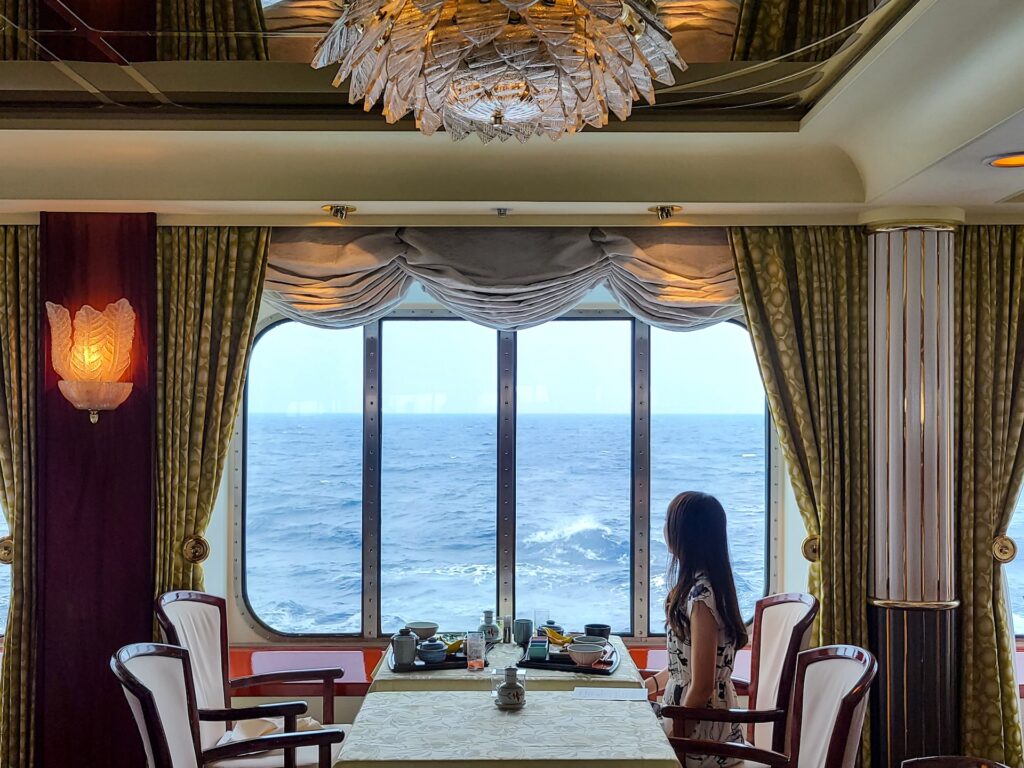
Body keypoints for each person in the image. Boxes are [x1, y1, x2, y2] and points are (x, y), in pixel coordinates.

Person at [642, 491, 749, 768]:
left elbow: (701, 686)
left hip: (701, 730)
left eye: (668, 522)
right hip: (689, 716)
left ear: (685, 534)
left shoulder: (701, 598)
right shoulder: (702, 587)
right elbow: (685, 667)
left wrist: (676, 743)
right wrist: (646, 687)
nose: (664, 529)